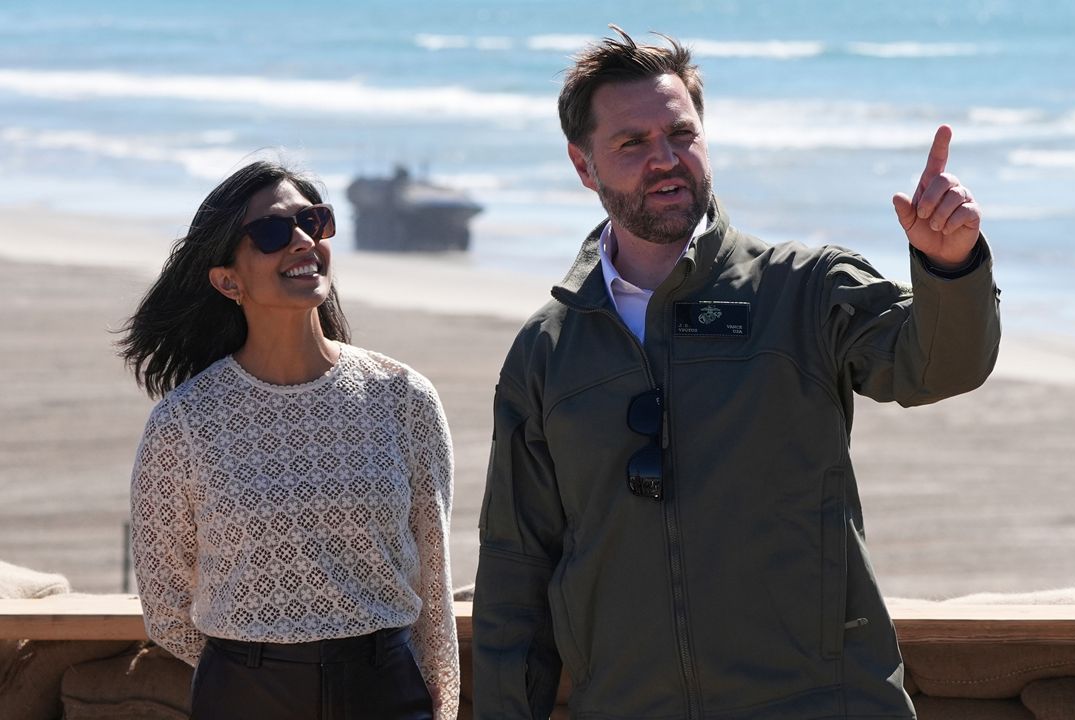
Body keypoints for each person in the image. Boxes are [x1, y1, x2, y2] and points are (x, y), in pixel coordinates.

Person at [473, 27, 1000, 720]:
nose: (665, 160)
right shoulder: (548, 349)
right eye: (632, 143)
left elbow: (937, 366)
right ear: (583, 164)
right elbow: (515, 570)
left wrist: (949, 267)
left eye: (681, 134)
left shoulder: (803, 288)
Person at [120, 160, 459, 720]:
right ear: (228, 280)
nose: (302, 240)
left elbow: (433, 578)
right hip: (245, 698)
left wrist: (440, 702)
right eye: (272, 232)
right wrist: (253, 667)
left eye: (313, 221)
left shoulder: (402, 397)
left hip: (384, 693)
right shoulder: (184, 422)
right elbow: (165, 604)